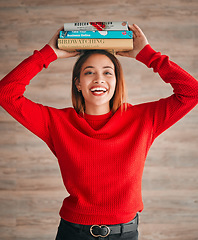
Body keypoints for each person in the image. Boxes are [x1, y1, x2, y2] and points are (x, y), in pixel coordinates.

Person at [0, 24, 197, 240]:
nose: (98, 79)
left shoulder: (144, 119)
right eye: (89, 72)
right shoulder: (56, 122)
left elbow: (191, 92)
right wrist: (49, 53)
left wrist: (148, 55)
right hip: (73, 232)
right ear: (78, 83)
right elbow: (6, 93)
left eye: (107, 72)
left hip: (126, 233)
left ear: (116, 81)